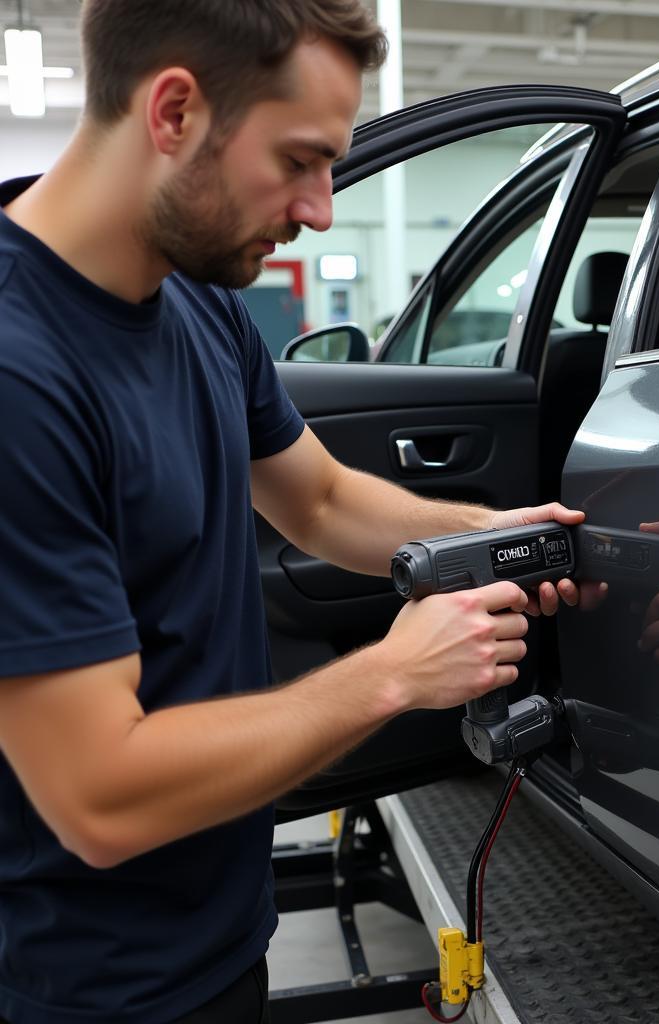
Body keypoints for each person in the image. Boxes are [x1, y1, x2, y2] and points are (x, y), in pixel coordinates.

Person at [0, 2, 590, 1021]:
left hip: (221, 927)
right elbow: (97, 796)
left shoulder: (194, 295)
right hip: (86, 984)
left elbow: (316, 497)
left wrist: (489, 538)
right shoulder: (20, 377)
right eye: (301, 160)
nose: (320, 209)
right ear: (175, 111)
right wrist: (393, 674)